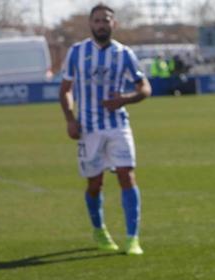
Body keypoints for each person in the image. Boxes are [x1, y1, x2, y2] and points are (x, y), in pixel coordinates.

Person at [58, 4, 149, 255]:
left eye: (106, 20)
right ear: (91, 24)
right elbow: (65, 89)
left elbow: (144, 88)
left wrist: (124, 99)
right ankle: (99, 230)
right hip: (89, 128)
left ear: (114, 24)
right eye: (97, 20)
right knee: (95, 183)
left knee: (126, 175)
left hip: (118, 125)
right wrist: (70, 119)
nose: (101, 24)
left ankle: (133, 238)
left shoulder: (124, 54)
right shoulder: (76, 52)